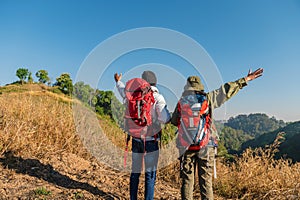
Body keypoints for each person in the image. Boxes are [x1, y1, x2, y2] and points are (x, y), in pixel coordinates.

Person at [171, 68, 264, 200]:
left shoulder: (181, 102)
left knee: (187, 182)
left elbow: (174, 121)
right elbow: (226, 90)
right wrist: (245, 80)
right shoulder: (208, 98)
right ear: (200, 87)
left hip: (186, 147)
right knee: (206, 183)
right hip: (206, 145)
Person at [114, 70, 171, 200]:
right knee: (150, 175)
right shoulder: (157, 97)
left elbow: (122, 89)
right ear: (155, 82)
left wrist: (118, 81)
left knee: (135, 172)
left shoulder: (133, 94)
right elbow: (164, 118)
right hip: (151, 140)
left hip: (135, 138)